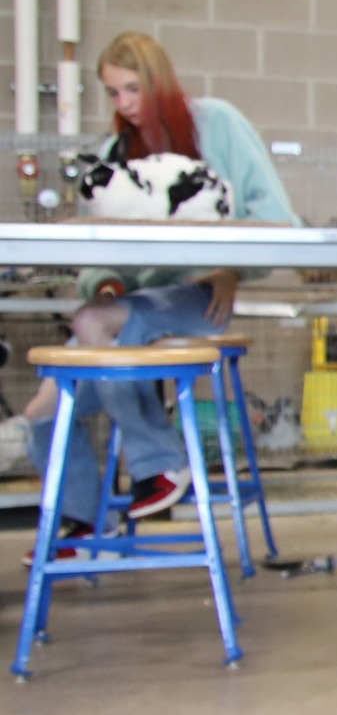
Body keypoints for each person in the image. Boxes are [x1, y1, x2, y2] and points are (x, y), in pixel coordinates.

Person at [18, 33, 298, 562]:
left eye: (132, 89)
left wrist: (230, 265)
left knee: (94, 326)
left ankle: (162, 462)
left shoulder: (217, 124)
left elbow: (276, 217)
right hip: (131, 309)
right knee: (40, 414)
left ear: (158, 82)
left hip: (195, 303)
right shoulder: (114, 155)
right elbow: (98, 258)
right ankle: (80, 529)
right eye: (112, 93)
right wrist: (103, 284)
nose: (123, 104)